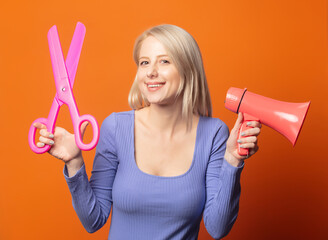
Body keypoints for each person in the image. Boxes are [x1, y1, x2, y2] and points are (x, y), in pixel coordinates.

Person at [34, 24, 261, 240]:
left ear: (187, 69)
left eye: (164, 61)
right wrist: (74, 162)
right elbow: (93, 220)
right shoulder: (116, 127)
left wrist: (232, 161)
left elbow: (217, 228)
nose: (151, 72)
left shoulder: (214, 134)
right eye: (144, 62)